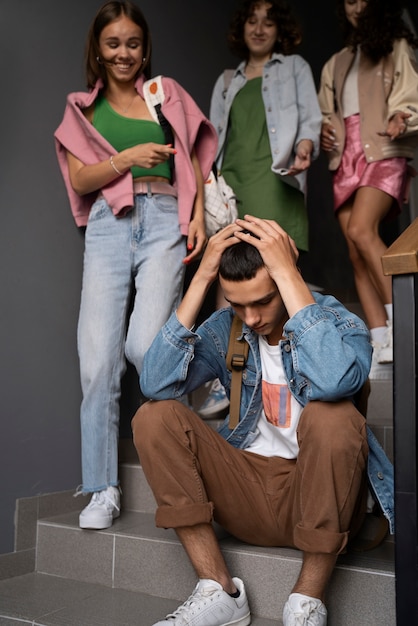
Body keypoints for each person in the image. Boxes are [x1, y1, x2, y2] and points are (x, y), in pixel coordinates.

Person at [132, 215, 394, 626]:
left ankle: (307, 600)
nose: (251, 317)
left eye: (263, 300)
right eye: (238, 304)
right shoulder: (228, 329)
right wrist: (201, 278)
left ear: (287, 279)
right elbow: (157, 384)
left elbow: (333, 382)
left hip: (316, 495)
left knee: (333, 416)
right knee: (153, 417)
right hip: (245, 492)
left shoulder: (341, 324)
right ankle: (219, 590)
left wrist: (289, 277)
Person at [54, 1, 217, 530]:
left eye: (132, 43)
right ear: (98, 51)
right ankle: (102, 488)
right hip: (107, 224)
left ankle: (205, 390)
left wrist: (194, 216)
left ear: (144, 48)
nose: (123, 53)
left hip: (166, 216)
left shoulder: (163, 93)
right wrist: (126, 159)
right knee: (97, 361)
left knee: (147, 348)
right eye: (112, 43)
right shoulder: (81, 109)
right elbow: (81, 179)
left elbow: (191, 154)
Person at [200, 0, 322, 416]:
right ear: (242, 28)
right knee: (228, 274)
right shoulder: (225, 81)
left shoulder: (294, 68)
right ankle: (224, 378)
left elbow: (311, 121)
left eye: (269, 22)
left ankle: (289, 375)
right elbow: (210, 140)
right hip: (233, 184)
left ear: (280, 29)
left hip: (276, 181)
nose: (259, 28)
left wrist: (306, 146)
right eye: (252, 20)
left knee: (278, 274)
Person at [318, 0, 418, 379]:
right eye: (348, 0)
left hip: (382, 148)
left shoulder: (396, 47)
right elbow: (327, 114)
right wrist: (327, 130)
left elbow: (410, 96)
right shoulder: (338, 61)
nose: (355, 6)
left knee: (362, 230)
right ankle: (380, 338)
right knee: (354, 250)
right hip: (346, 158)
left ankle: (405, 327)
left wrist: (400, 117)